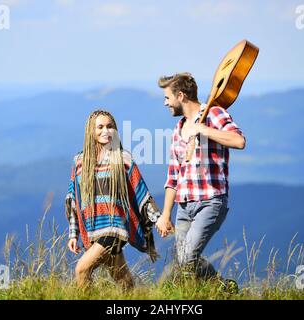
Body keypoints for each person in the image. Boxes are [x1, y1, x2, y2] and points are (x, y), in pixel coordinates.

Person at [155, 72, 245, 292]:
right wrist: (166, 215)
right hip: (184, 207)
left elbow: (239, 141)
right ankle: (223, 290)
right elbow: (173, 176)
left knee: (187, 257)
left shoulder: (214, 113)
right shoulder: (178, 130)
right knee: (185, 263)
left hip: (210, 201)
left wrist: (203, 129)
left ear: (181, 96)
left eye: (167, 97)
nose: (165, 102)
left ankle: (221, 289)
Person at [65, 110, 161, 289]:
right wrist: (73, 233)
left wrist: (159, 219)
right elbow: (74, 199)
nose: (106, 131)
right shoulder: (79, 161)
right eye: (100, 127)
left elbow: (140, 191)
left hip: (115, 227)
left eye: (110, 127)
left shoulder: (123, 158)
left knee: (81, 270)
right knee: (124, 282)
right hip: (94, 227)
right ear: (91, 131)